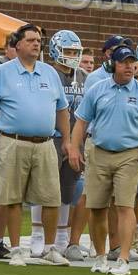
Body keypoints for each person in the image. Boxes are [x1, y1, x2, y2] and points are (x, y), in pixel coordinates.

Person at [0, 24, 75, 267]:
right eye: (30, 40)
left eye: (39, 40)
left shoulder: (50, 73)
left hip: (45, 143)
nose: (36, 44)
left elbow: (62, 109)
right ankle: (17, 248)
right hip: (13, 141)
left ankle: (50, 248)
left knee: (51, 196)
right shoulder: (2, 73)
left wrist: (68, 141)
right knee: (13, 198)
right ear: (18, 44)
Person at [69, 44, 138, 275]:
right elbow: (81, 121)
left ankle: (123, 258)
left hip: (130, 154)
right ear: (113, 64)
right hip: (99, 151)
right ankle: (101, 257)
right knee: (97, 206)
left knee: (124, 205)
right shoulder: (98, 89)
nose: (129, 66)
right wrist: (74, 148)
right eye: (124, 62)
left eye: (132, 62)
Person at [40, 31, 88, 261]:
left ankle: (61, 239)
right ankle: (38, 237)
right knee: (46, 187)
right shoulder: (49, 74)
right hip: (52, 136)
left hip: (75, 140)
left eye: (74, 52)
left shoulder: (83, 77)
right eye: (67, 51)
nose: (71, 56)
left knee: (68, 189)